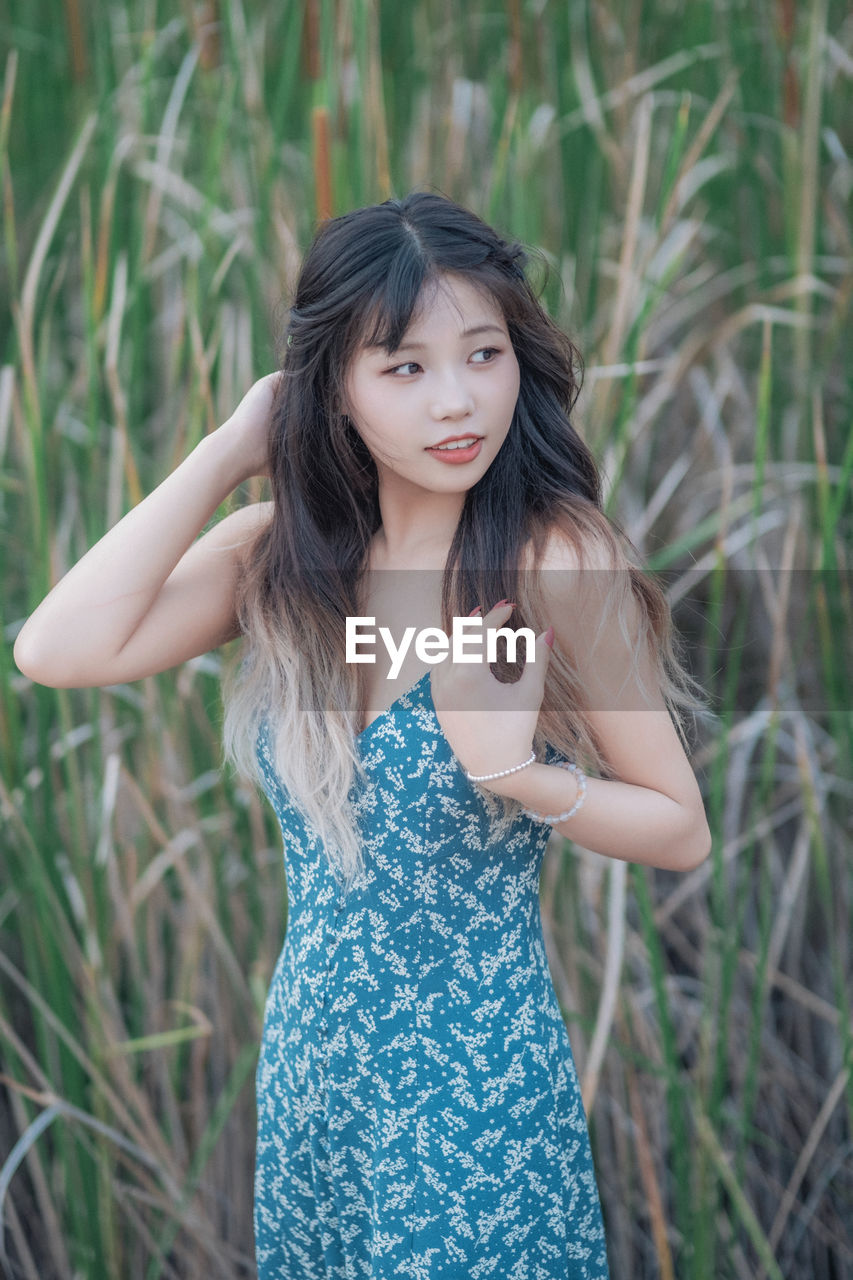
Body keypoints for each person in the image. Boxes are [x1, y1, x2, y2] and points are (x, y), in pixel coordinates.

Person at [14, 189, 712, 1279]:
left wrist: (518, 775)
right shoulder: (279, 564)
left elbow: (680, 829)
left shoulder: (547, 564)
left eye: (483, 353)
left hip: (474, 1092)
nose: (458, 400)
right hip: (313, 1082)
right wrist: (229, 448)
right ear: (331, 389)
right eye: (404, 367)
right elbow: (55, 648)